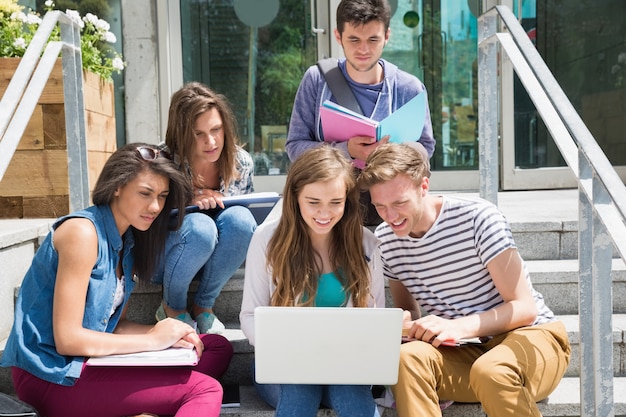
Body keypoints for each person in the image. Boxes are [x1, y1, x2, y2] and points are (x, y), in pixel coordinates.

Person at [1, 143, 234, 417]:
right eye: (145, 194)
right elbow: (67, 339)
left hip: (88, 362)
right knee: (205, 389)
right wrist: (153, 340)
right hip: (53, 374)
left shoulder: (129, 242)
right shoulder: (82, 233)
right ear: (117, 187)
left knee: (213, 347)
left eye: (162, 196)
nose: (156, 206)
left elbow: (114, 326)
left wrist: (167, 333)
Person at [357, 142, 571, 417]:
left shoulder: (477, 217)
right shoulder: (386, 239)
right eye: (380, 206)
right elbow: (409, 311)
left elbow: (524, 308)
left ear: (423, 187)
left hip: (532, 339)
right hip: (465, 352)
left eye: (399, 203)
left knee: (492, 371)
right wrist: (403, 323)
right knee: (407, 360)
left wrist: (458, 326)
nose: (391, 216)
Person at [240, 145, 385, 417]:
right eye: (313, 202)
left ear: (347, 199)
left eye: (335, 202)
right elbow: (249, 315)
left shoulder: (365, 244)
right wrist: (283, 347)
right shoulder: (266, 240)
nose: (324, 213)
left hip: (344, 367)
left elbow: (375, 320)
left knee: (352, 392)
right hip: (283, 366)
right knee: (300, 389)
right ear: (295, 197)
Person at [285, 0, 435, 225]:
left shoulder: (409, 88)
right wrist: (346, 151)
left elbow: (425, 149)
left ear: (387, 36)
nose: (363, 49)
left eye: (373, 39)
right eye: (354, 39)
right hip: (331, 202)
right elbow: (295, 146)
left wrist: (392, 154)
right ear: (338, 36)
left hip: (386, 204)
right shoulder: (317, 80)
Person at [152, 82, 257, 334]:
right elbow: (143, 222)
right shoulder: (160, 161)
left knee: (242, 220)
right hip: (166, 259)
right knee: (200, 227)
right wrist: (186, 201)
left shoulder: (241, 163)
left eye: (216, 129)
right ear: (181, 135)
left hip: (216, 261)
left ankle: (203, 307)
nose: (210, 141)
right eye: (198, 134)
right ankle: (171, 308)